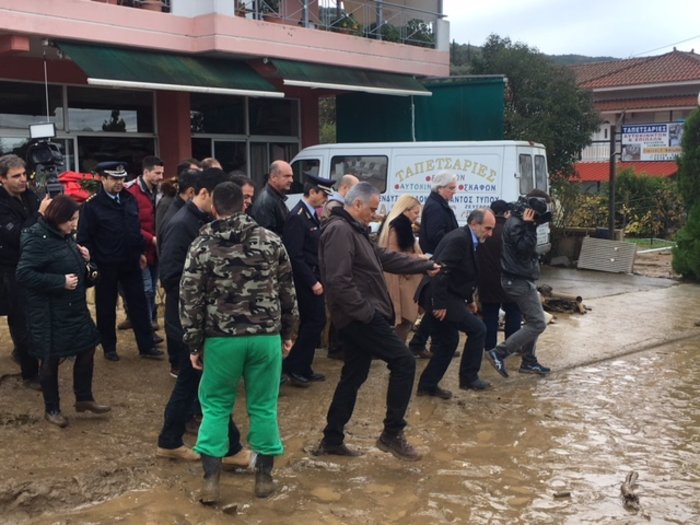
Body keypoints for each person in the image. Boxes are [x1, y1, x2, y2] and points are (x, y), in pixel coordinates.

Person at [181, 181, 298, 504]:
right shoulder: (271, 240)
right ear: (244, 206)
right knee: (263, 406)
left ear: (214, 207)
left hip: (222, 340)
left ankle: (210, 483)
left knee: (216, 406)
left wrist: (193, 343)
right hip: (265, 338)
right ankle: (263, 480)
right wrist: (289, 334)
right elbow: (288, 291)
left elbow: (189, 298)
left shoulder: (202, 244)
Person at [313, 182, 438, 461]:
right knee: (404, 362)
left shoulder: (354, 229)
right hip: (359, 316)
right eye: (371, 209)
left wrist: (423, 264)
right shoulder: (339, 230)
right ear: (356, 204)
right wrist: (366, 313)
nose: (375, 214)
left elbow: (382, 258)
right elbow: (338, 281)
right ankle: (392, 434)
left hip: (361, 314)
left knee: (354, 376)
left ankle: (332, 439)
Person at [157, 169, 251, 466]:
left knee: (194, 382)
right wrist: (206, 293)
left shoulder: (202, 221)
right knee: (209, 384)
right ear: (204, 193)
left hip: (201, 319)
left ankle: (170, 440)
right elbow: (170, 276)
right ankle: (232, 449)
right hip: (187, 319)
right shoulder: (182, 224)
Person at [16, 195, 110, 427]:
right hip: (48, 313)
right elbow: (24, 274)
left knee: (87, 349)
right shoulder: (36, 238)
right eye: (71, 220)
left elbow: (81, 275)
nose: (74, 225)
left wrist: (89, 264)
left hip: (74, 309)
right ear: (58, 218)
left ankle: (84, 398)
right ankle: (52, 409)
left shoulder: (67, 237)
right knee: (50, 359)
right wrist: (59, 281)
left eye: (76, 220)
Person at [77, 161, 163, 361]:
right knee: (106, 307)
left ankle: (146, 346)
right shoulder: (92, 206)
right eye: (114, 178)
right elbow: (84, 238)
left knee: (139, 305)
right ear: (103, 178)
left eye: (122, 178)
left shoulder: (129, 199)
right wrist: (92, 263)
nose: (119, 182)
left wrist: (140, 252)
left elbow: (133, 229)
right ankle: (109, 347)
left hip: (130, 262)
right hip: (106, 265)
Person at [416, 208, 496, 399]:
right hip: (441, 295)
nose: (490, 233)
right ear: (474, 224)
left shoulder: (469, 238)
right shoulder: (460, 239)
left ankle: (427, 385)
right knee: (478, 329)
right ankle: (469, 378)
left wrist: (469, 301)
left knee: (449, 342)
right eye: (487, 228)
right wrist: (439, 304)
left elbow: (464, 274)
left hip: (448, 295)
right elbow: (441, 270)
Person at [486, 190, 553, 378]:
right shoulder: (517, 223)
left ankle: (529, 361)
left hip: (521, 278)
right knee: (538, 323)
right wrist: (530, 226)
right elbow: (524, 249)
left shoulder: (517, 220)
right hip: (517, 279)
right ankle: (499, 353)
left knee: (534, 320)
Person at [281, 173, 334, 387]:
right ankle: (294, 367)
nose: (325, 199)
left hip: (314, 276)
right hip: (305, 280)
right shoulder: (298, 216)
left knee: (315, 323)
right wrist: (313, 282)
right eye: (322, 194)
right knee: (314, 322)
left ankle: (303, 366)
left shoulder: (311, 214)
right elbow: (294, 255)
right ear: (312, 192)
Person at [0, 154, 48, 389]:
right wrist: (39, 214)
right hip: (11, 268)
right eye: (15, 176)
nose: (22, 180)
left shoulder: (30, 196)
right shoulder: (1, 204)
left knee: (36, 315)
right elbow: (17, 235)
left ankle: (25, 352)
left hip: (34, 264)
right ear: (2, 179)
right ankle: (30, 373)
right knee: (21, 318)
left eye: (24, 175)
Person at [409, 172, 460, 359]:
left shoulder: (439, 204)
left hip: (440, 257)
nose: (454, 192)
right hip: (439, 259)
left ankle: (431, 343)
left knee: (436, 306)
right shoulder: (436, 207)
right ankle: (426, 343)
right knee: (435, 305)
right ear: (440, 188)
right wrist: (454, 244)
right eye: (451, 188)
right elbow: (436, 235)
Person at [376, 194, 426, 343]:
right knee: (404, 318)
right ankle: (398, 352)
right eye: (416, 213)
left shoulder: (396, 226)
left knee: (406, 319)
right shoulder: (398, 227)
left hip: (405, 277)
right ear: (406, 210)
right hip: (401, 280)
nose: (417, 217)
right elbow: (395, 255)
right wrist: (419, 258)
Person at [322, 173, 359, 360]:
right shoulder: (335, 208)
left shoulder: (336, 205)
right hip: (336, 263)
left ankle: (338, 345)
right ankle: (335, 347)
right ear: (344, 188)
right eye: (354, 189)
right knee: (338, 308)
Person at [476, 200, 523, 352]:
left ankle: (489, 347)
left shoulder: (485, 231)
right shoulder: (513, 231)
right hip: (510, 278)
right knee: (514, 312)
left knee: (490, 314)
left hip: (488, 279)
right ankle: (512, 346)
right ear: (507, 213)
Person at [127, 156, 164, 331]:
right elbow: (131, 224)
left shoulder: (160, 192)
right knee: (146, 290)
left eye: (162, 173)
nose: (160, 176)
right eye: (157, 173)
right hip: (140, 249)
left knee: (151, 290)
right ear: (146, 172)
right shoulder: (132, 192)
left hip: (156, 251)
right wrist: (152, 238)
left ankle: (148, 323)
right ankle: (146, 328)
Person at [249, 160, 293, 235]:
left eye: (291, 176)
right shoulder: (265, 202)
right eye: (286, 176)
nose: (291, 180)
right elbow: (267, 236)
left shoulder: (275, 197)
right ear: (273, 177)